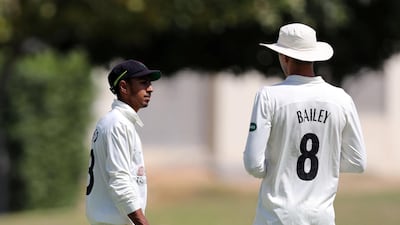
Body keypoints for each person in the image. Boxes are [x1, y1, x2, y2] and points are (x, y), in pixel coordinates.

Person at [243, 23, 367, 225]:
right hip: (321, 217)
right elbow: (357, 162)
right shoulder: (341, 99)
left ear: (285, 57)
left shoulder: (269, 97)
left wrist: (283, 163)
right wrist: (327, 161)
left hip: (276, 217)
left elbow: (253, 164)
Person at [86, 59, 161, 225]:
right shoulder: (117, 124)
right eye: (143, 83)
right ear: (124, 87)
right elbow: (120, 182)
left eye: (149, 83)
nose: (150, 89)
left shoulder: (114, 122)